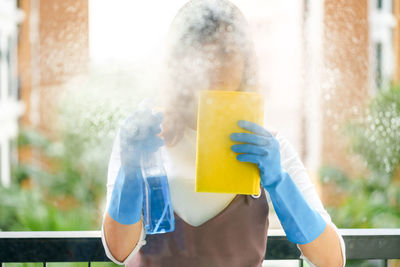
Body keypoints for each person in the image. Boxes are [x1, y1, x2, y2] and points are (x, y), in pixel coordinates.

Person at [101, 0, 346, 266]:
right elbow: (119, 250)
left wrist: (279, 182)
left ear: (245, 62)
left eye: (227, 51)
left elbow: (331, 259)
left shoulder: (268, 147)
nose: (214, 64)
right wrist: (130, 168)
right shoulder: (145, 139)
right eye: (200, 51)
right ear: (178, 63)